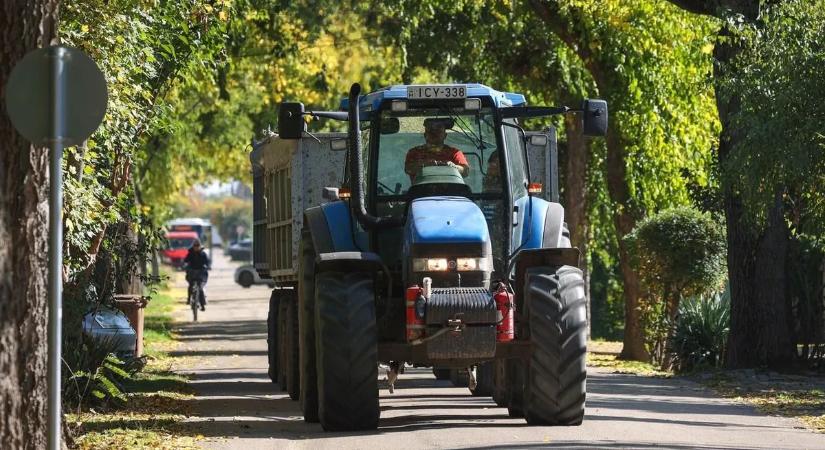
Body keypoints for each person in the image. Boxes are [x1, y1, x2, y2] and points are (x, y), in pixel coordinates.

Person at [404, 118, 470, 182]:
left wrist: (453, 167)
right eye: (430, 131)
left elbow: (465, 171)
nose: (434, 134)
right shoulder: (414, 152)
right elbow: (408, 169)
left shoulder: (454, 153)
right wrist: (424, 165)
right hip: (421, 189)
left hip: (449, 188)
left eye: (438, 131)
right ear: (425, 135)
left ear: (445, 135)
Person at [183, 239, 210, 311]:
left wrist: (207, 266)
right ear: (193, 246)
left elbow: (207, 262)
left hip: (201, 273)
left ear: (200, 246)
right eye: (195, 245)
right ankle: (189, 299)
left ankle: (202, 304)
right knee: (190, 286)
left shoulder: (203, 254)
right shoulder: (190, 253)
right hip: (192, 272)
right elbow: (185, 260)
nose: (196, 247)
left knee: (200, 288)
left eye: (198, 245)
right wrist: (185, 264)